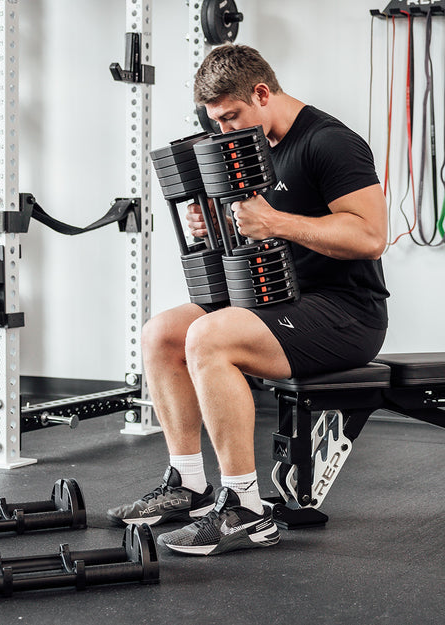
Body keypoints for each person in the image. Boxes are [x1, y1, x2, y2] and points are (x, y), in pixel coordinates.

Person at [107, 44, 389, 556]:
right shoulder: (247, 147)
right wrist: (211, 222)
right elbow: (255, 229)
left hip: (345, 313)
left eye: (232, 117)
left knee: (208, 338)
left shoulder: (330, 143)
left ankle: (245, 510)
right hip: (276, 300)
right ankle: (189, 485)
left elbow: (370, 236)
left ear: (262, 94)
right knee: (161, 334)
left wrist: (274, 221)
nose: (225, 131)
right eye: (217, 122)